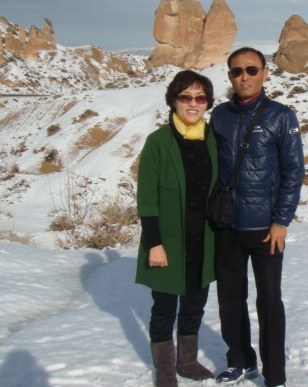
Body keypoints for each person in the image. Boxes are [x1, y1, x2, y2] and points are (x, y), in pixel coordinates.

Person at [210, 47, 305, 387]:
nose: (244, 76)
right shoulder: (220, 115)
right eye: (237, 71)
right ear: (229, 76)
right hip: (228, 226)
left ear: (265, 73)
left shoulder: (282, 116)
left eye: (252, 69)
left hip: (266, 229)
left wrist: (281, 222)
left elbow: (294, 173)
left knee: (269, 302)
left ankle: (275, 375)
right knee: (230, 300)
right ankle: (240, 361)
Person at [135, 70, 218, 387]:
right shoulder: (158, 142)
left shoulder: (213, 139)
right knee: (164, 309)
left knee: (195, 306)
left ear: (208, 103)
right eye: (186, 96)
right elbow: (147, 199)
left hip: (203, 240)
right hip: (168, 241)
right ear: (174, 100)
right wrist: (154, 243)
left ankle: (188, 361)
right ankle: (165, 370)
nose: (193, 103)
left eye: (200, 98)